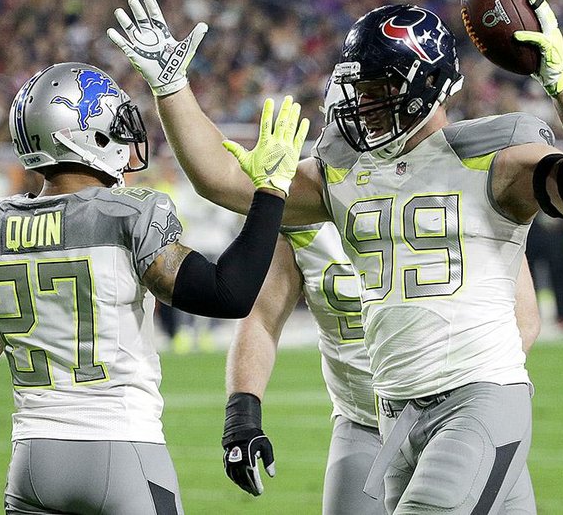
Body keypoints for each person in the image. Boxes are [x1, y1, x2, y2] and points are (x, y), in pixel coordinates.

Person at [108, 0, 563, 513]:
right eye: (357, 86)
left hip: (478, 397)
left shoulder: (494, 160)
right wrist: (171, 87)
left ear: (427, 86)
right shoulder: (344, 171)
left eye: (378, 87)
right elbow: (221, 180)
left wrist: (560, 84)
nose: (360, 101)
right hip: (392, 416)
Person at [0, 61, 308, 515]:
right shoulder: (126, 215)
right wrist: (271, 192)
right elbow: (228, 294)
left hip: (31, 461)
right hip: (122, 450)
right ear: (84, 135)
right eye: (116, 126)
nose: (127, 139)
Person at [220, 84, 542, 513]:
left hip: (457, 410)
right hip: (363, 419)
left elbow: (522, 316)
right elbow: (261, 318)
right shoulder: (304, 216)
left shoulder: (448, 196)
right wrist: (242, 408)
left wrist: (463, 387)